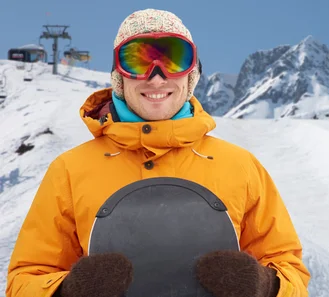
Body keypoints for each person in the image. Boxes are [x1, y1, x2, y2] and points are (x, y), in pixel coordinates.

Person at [5, 8, 310, 297]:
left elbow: (291, 272)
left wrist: (265, 285)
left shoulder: (241, 167)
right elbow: (24, 281)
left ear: (192, 75)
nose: (156, 77)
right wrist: (68, 290)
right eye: (137, 61)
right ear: (119, 76)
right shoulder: (70, 171)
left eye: (173, 59)